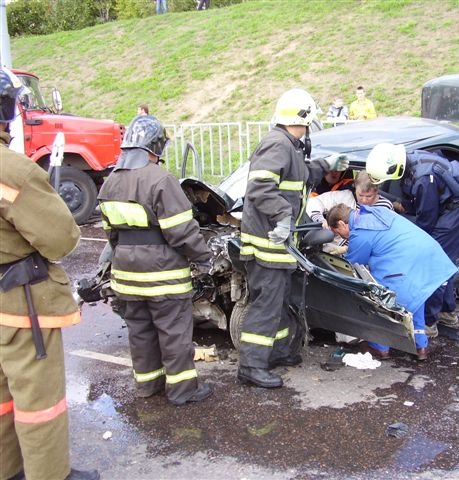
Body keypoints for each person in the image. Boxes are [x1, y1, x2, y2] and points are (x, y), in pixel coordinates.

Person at [0, 68, 100, 480]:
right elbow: (61, 240)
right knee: (38, 402)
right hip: (18, 306)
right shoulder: (13, 170)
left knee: (3, 399)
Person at [97, 115, 213, 405]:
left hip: (126, 275)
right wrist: (203, 257)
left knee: (141, 333)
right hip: (162, 276)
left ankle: (148, 386)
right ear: (155, 148)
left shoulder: (109, 181)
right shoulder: (160, 179)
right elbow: (182, 231)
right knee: (174, 333)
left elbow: (111, 235)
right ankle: (183, 391)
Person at [237, 88, 349, 388]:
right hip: (267, 245)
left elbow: (298, 175)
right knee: (266, 306)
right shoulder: (277, 145)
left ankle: (279, 352)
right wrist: (283, 216)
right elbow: (261, 189)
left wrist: (325, 165)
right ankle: (251, 366)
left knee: (281, 303)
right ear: (305, 119)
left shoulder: (289, 146)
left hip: (279, 246)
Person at [366, 143, 459, 338]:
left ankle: (429, 321)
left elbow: (426, 221)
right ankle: (446, 310)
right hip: (447, 204)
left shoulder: (424, 179)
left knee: (434, 263)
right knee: (444, 260)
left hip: (455, 211)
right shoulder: (409, 162)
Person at [327, 204, 457, 361]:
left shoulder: (359, 233)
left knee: (380, 300)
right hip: (427, 253)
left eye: (338, 233)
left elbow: (352, 264)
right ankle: (420, 345)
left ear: (341, 223)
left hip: (404, 262)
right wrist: (348, 248)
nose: (341, 237)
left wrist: (340, 255)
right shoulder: (374, 213)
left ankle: (379, 347)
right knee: (415, 296)